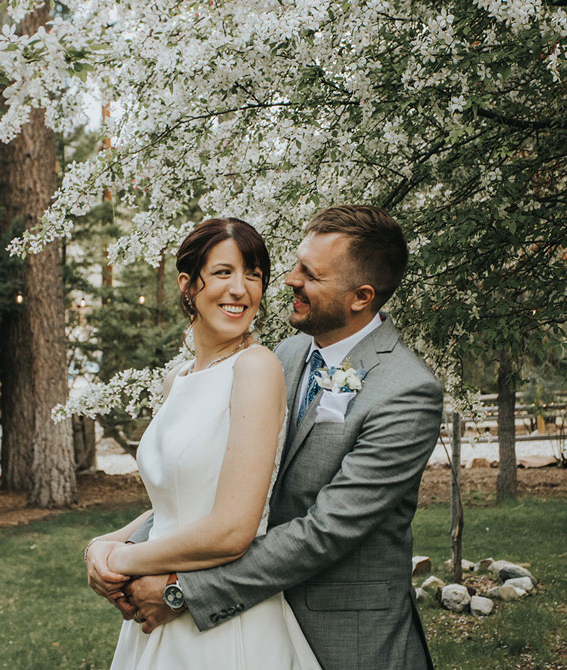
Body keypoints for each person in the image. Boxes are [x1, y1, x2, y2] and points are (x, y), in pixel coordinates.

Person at [91, 205, 445, 670]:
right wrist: (111, 546)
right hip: (256, 612)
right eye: (296, 263)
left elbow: (323, 532)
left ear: (360, 296)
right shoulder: (288, 354)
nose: (289, 279)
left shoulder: (405, 391)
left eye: (310, 273)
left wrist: (181, 590)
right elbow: (226, 485)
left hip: (344, 638)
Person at [85, 218, 321, 669]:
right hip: (155, 621)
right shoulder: (176, 378)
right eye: (223, 272)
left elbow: (233, 529)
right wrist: (102, 546)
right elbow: (178, 503)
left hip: (224, 628)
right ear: (188, 285)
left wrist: (128, 559)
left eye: (253, 275)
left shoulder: (256, 368)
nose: (240, 289)